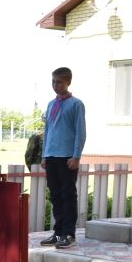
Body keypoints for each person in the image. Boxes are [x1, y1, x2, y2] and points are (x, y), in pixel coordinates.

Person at [40, 67, 86, 250]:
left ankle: (69, 234)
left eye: (59, 82)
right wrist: (44, 154)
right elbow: (47, 131)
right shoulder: (51, 104)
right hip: (51, 156)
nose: (55, 85)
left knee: (68, 195)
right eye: (53, 81)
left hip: (67, 157)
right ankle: (58, 232)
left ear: (68, 82)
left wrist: (76, 156)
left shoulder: (76, 104)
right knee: (55, 196)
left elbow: (80, 132)